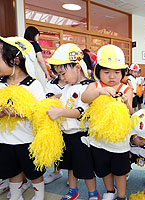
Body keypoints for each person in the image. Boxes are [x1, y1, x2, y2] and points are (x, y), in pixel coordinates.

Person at [46, 43, 98, 200]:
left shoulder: (89, 86)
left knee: (85, 167)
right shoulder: (69, 85)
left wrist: (59, 112)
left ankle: (92, 193)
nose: (62, 78)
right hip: (66, 133)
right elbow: (64, 98)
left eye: (63, 73)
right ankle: (73, 190)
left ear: (77, 67)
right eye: (59, 75)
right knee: (70, 164)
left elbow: (81, 113)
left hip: (80, 134)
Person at [81, 44, 133, 200]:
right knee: (104, 169)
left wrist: (125, 103)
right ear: (98, 71)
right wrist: (99, 91)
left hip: (119, 141)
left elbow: (131, 112)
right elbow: (84, 98)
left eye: (117, 72)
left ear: (122, 72)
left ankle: (121, 195)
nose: (112, 76)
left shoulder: (126, 89)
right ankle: (110, 191)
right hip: (99, 139)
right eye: (107, 72)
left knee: (120, 170)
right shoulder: (94, 86)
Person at [0, 36, 46, 200]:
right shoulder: (0, 83)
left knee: (34, 171)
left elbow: (41, 112)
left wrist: (20, 112)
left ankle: (38, 196)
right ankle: (16, 195)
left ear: (15, 60)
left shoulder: (33, 85)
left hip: (27, 140)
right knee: (12, 171)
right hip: (6, 140)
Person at [43, 71, 67, 184]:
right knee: (56, 147)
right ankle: (57, 171)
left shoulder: (74, 84)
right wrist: (63, 96)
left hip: (71, 122)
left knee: (72, 149)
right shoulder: (51, 84)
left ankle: (74, 177)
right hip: (55, 122)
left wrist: (57, 97)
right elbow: (47, 99)